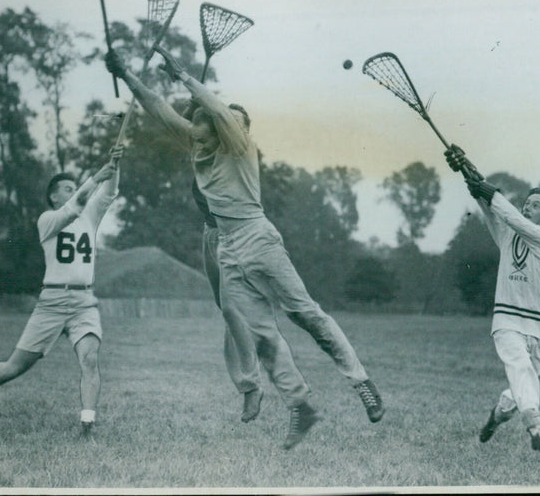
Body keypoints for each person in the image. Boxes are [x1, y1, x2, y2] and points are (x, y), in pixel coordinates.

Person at [106, 48, 384, 450]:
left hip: (257, 237)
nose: (207, 121)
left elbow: (219, 112)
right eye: (199, 119)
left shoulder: (238, 145)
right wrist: (128, 74)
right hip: (228, 247)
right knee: (262, 337)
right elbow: (158, 108)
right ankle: (300, 405)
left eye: (214, 118)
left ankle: (362, 382)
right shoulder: (198, 142)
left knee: (307, 315)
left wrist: (184, 76)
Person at [0, 153, 122, 436]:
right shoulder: (49, 219)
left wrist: (115, 167)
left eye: (74, 186)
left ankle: (87, 425)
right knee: (15, 367)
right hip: (52, 302)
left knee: (90, 358)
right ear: (53, 197)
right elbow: (77, 203)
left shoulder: (90, 217)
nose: (73, 190)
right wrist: (96, 177)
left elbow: (110, 192)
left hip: (84, 303)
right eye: (67, 187)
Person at [445, 144, 540, 451]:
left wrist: (489, 191)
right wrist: (468, 173)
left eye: (536, 206)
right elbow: (491, 210)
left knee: (521, 386)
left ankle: (496, 416)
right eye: (527, 203)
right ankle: (536, 427)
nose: (528, 208)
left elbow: (510, 216)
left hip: (539, 327)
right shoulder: (507, 235)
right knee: (520, 369)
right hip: (507, 319)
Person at [184, 100, 264, 424]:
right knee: (229, 313)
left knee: (232, 309)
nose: (231, 127)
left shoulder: (242, 154)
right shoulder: (209, 151)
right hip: (210, 235)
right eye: (225, 121)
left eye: (238, 123)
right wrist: (192, 112)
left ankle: (250, 386)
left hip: (239, 237)